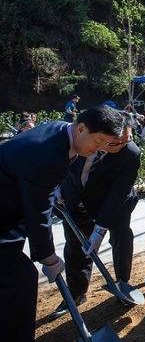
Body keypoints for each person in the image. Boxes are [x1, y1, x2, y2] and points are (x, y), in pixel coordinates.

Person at [0, 105, 124, 341]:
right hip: (5, 217)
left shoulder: (59, 130)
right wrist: (49, 258)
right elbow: (39, 214)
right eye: (97, 142)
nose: (98, 150)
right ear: (81, 128)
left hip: (9, 212)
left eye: (103, 145)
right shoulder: (51, 157)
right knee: (20, 279)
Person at [49, 113, 141, 319]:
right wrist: (58, 186)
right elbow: (62, 164)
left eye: (127, 139)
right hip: (75, 200)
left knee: (121, 236)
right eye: (116, 141)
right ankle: (76, 293)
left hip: (114, 204)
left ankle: (122, 285)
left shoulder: (130, 153)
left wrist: (100, 230)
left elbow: (118, 193)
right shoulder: (81, 140)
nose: (122, 145)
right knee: (75, 247)